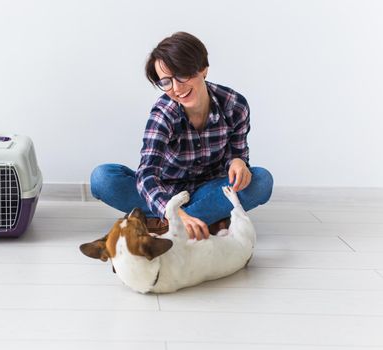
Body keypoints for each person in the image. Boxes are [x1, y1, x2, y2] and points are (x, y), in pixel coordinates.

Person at [90, 32, 273, 240]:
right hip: (167, 192)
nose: (177, 88)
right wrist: (173, 210)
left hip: (209, 190)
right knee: (102, 178)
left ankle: (164, 224)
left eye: (182, 75)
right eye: (166, 82)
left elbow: (238, 156)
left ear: (203, 69)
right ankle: (200, 219)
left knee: (262, 180)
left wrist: (239, 162)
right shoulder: (163, 113)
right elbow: (147, 173)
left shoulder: (234, 105)